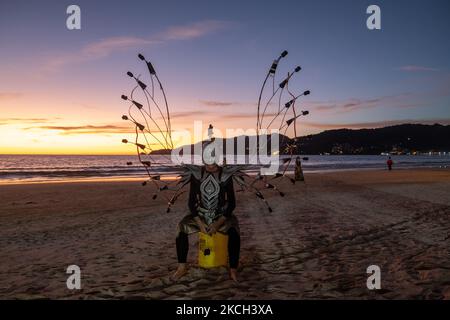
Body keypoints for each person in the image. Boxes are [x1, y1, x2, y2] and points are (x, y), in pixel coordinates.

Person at [172, 162, 241, 282]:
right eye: (207, 162)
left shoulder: (226, 175)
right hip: (201, 214)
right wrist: (200, 224)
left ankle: (233, 269)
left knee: (234, 231)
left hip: (221, 215)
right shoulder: (197, 174)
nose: (210, 165)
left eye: (213, 162)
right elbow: (191, 203)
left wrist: (217, 224)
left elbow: (231, 204)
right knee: (181, 227)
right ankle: (182, 267)